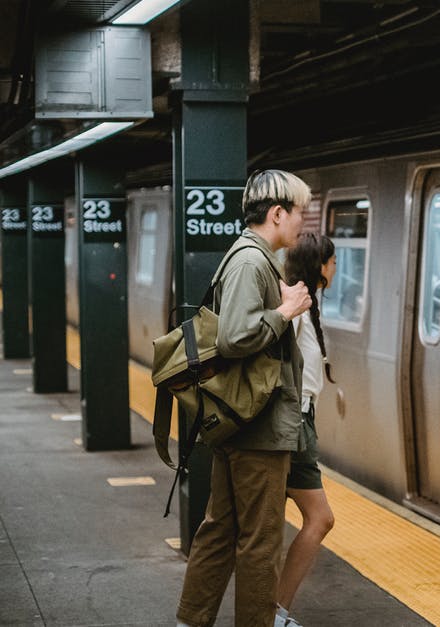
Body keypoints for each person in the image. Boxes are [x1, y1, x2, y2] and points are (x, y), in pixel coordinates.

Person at [176, 170, 313, 627]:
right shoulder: (252, 262)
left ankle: (191, 621)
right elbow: (236, 337)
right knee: (260, 540)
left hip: (241, 420)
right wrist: (286, 310)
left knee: (220, 531)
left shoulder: (248, 257)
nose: (302, 223)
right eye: (300, 213)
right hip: (257, 426)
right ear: (277, 213)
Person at [275, 233, 339, 626]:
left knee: (261, 523)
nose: (335, 268)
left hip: (300, 420)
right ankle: (275, 612)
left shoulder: (307, 306)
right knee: (321, 518)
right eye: (332, 261)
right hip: (292, 422)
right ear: (319, 266)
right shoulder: (297, 309)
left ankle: (272, 610)